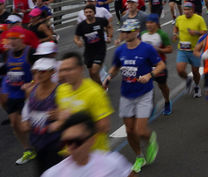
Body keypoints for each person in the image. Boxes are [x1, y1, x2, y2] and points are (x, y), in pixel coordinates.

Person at [103, 20, 163, 173]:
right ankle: (139, 156)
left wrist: (150, 75)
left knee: (140, 130)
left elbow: (161, 65)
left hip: (144, 93)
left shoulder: (147, 49)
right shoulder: (120, 50)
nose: (125, 34)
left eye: (128, 31)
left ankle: (150, 140)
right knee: (129, 130)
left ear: (136, 31)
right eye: (123, 31)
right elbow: (116, 66)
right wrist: (109, 76)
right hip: (126, 94)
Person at [40, 111, 134, 177]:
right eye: (67, 142)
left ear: (92, 139)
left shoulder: (113, 163)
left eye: (77, 141)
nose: (71, 147)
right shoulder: (53, 174)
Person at [55, 53, 113, 152]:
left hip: (94, 155)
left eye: (69, 69)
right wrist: (59, 121)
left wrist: (79, 128)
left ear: (81, 69)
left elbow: (105, 127)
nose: (65, 73)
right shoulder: (61, 90)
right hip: (70, 153)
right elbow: (61, 116)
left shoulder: (95, 92)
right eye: (63, 70)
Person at [21, 57, 63, 174]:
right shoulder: (31, 90)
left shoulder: (60, 90)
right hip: (37, 142)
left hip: (55, 143)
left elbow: (69, 112)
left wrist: (60, 116)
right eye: (36, 71)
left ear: (52, 72)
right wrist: (25, 120)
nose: (39, 74)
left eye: (43, 71)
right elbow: (28, 106)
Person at [1, 28, 35, 165]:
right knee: (15, 123)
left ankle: (44, 141)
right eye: (10, 39)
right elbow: (4, 71)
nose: (12, 42)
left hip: (27, 95)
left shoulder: (30, 52)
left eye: (15, 39)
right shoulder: (6, 54)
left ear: (21, 39)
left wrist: (31, 84)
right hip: (12, 94)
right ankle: (28, 149)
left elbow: (39, 72)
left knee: (27, 125)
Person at [140, 14, 173, 115]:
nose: (149, 25)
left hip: (159, 65)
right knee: (147, 86)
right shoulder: (143, 34)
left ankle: (167, 101)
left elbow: (170, 49)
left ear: (156, 24)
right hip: (146, 65)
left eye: (151, 23)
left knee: (162, 86)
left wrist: (159, 49)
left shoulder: (162, 34)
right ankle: (150, 105)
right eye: (147, 23)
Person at [174, 2, 207, 98]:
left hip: (195, 50)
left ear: (193, 10)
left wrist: (196, 32)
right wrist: (175, 34)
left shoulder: (199, 19)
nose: (186, 12)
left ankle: (196, 86)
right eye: (185, 10)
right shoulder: (180, 18)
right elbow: (176, 27)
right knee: (180, 70)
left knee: (195, 72)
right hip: (182, 49)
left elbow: (205, 32)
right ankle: (188, 79)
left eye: (189, 10)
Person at [74, 5, 112, 84]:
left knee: (94, 71)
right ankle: (98, 86)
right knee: (91, 73)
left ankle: (101, 88)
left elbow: (109, 26)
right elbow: (76, 38)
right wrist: (78, 42)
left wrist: (109, 36)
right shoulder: (81, 25)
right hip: (88, 52)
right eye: (86, 12)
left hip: (100, 49)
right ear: (84, 14)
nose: (88, 14)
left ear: (94, 13)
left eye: (90, 12)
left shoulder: (101, 21)